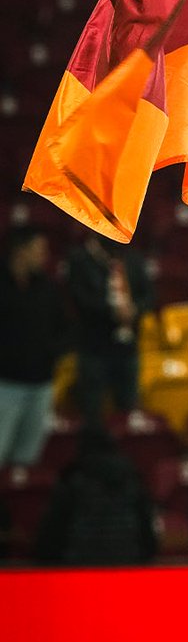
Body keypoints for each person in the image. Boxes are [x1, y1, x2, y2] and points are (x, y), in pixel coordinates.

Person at [66, 234, 154, 428]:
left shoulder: (131, 258)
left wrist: (134, 309)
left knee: (127, 412)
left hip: (128, 349)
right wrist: (112, 311)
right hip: (94, 348)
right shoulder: (81, 260)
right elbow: (80, 300)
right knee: (92, 412)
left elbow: (149, 295)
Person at [34, 427, 157, 565]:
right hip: (128, 562)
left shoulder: (73, 478)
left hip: (78, 565)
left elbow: (51, 534)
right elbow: (148, 535)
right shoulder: (132, 478)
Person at [0, 225, 68, 470]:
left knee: (27, 459)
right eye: (38, 250)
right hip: (5, 385)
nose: (44, 256)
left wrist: (51, 354)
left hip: (41, 385)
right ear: (20, 251)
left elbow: (64, 327)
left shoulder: (47, 287)